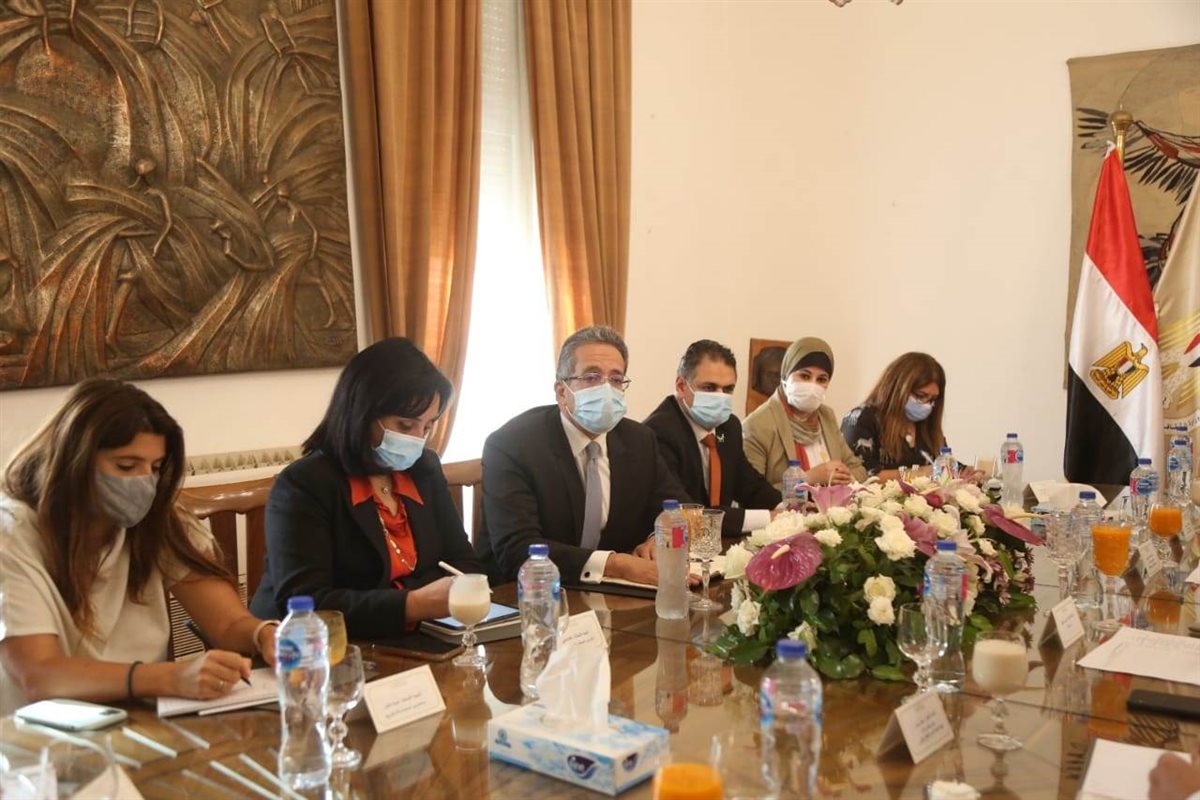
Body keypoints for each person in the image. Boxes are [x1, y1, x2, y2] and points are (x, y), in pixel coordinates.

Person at [0, 380, 277, 716]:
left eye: (155, 468)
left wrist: (264, 635)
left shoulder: (160, 522)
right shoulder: (11, 533)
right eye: (126, 466)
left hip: (136, 717)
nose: (145, 482)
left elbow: (228, 624)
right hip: (36, 731)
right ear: (74, 461)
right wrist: (172, 677)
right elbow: (39, 675)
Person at [250, 338, 483, 640]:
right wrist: (411, 604)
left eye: (427, 427)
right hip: (315, 648)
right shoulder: (305, 484)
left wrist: (409, 604)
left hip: (414, 636)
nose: (417, 439)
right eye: (405, 425)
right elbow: (306, 603)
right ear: (362, 414)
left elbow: (463, 563)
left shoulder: (424, 468)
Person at [480, 325, 690, 585]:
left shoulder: (639, 440)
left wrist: (659, 539)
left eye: (616, 379)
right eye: (591, 377)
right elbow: (517, 550)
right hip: (528, 592)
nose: (606, 389)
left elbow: (681, 510)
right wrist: (615, 564)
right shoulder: (513, 444)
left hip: (617, 593)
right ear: (561, 391)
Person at [643, 339, 781, 538]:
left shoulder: (729, 426)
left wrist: (787, 508)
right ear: (681, 386)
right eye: (709, 387)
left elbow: (750, 485)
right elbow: (686, 512)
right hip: (673, 542)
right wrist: (768, 518)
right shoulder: (657, 432)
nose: (720, 396)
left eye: (728, 389)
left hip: (718, 541)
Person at [743, 336, 867, 489]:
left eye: (821, 379)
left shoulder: (826, 416)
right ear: (785, 375)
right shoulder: (756, 425)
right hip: (784, 506)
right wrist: (808, 478)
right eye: (804, 376)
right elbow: (750, 493)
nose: (812, 386)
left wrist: (845, 477)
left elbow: (859, 470)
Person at [840, 352, 947, 480]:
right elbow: (861, 475)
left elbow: (944, 464)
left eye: (932, 399)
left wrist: (963, 471)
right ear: (898, 389)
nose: (927, 405)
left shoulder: (926, 424)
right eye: (920, 396)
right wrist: (919, 473)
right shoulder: (861, 419)